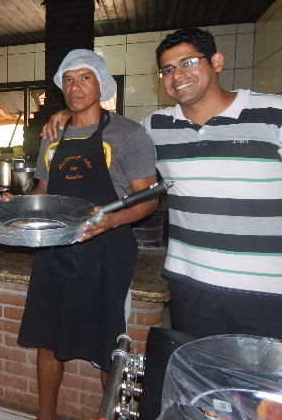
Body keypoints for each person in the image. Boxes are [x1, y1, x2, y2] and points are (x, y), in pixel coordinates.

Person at [44, 29, 282, 341]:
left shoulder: (273, 113)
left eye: (187, 63)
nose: (177, 75)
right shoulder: (155, 127)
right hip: (190, 286)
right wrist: (68, 111)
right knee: (200, 384)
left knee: (266, 387)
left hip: (267, 289)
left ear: (217, 62)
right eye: (168, 69)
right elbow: (108, 130)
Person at [23, 49, 157, 420]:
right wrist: (16, 208)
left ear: (102, 83)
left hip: (106, 254)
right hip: (55, 252)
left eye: (85, 77)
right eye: (68, 79)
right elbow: (42, 193)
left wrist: (111, 221)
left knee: (107, 346)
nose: (76, 86)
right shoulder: (52, 135)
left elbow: (148, 200)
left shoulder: (128, 135)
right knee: (48, 341)